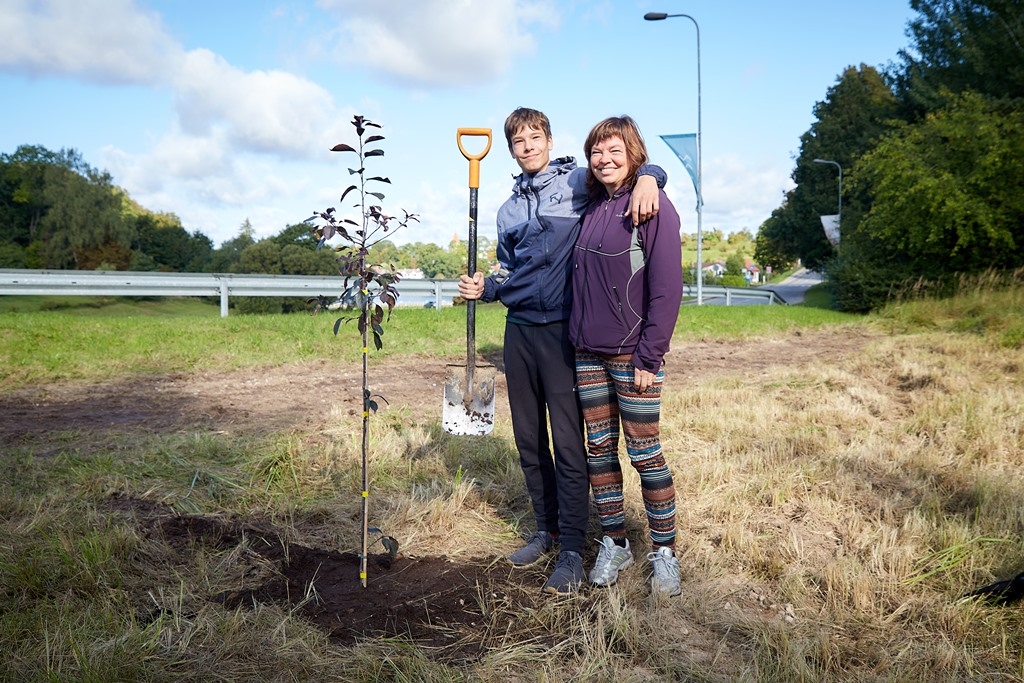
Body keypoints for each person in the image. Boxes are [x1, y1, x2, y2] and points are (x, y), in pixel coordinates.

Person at [458, 107, 666, 595]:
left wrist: (652, 177)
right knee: (529, 440)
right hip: (519, 331)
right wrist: (485, 286)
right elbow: (510, 270)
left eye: (535, 138)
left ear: (549, 141)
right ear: (510, 150)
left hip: (562, 334)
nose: (527, 147)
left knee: (569, 444)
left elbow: (625, 171)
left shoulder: (576, 184)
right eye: (518, 142)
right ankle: (545, 529)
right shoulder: (507, 210)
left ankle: (573, 545)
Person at [568, 115, 684, 597]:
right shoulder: (594, 206)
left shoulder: (653, 207)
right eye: (596, 151)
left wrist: (649, 357)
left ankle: (664, 553)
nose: (603, 159)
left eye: (614, 150)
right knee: (599, 452)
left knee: (644, 453)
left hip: (632, 354)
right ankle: (615, 543)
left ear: (633, 153)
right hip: (587, 354)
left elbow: (668, 290)